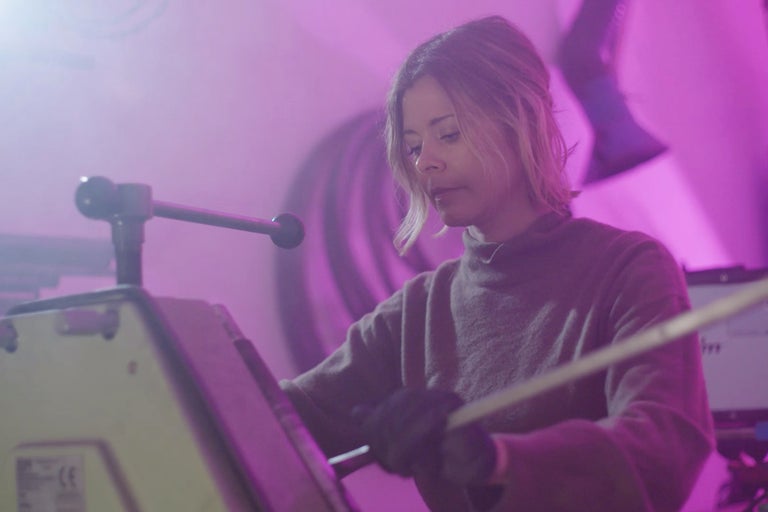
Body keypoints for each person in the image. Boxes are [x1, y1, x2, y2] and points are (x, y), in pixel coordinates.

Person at [279, 15, 714, 512]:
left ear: (518, 122)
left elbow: (662, 448)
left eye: (449, 134)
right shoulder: (415, 312)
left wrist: (499, 461)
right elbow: (283, 419)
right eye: (415, 146)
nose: (425, 163)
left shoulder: (630, 268)